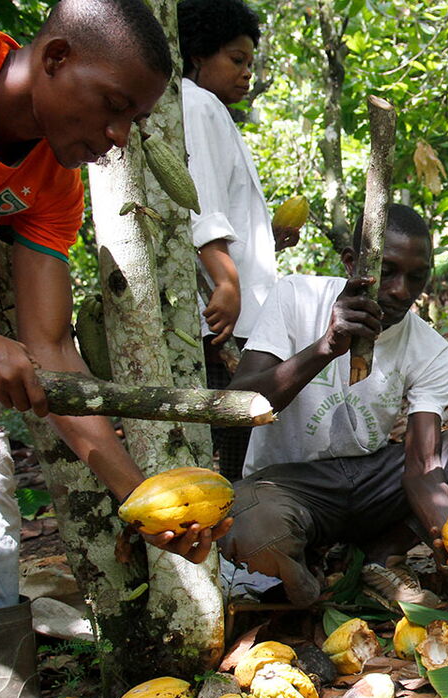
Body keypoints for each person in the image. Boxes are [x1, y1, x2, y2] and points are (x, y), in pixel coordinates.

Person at [0, 2, 221, 698]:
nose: (117, 138)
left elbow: (52, 353)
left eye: (134, 120)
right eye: (113, 107)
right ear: (56, 58)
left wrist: (140, 496)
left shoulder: (51, 177)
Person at [220, 204, 448, 607]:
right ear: (352, 263)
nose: (400, 291)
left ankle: (382, 555)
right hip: (289, 484)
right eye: (387, 271)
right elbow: (237, 406)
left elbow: (423, 466)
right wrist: (325, 348)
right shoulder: (295, 296)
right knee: (250, 527)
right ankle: (312, 581)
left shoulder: (429, 349)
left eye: (416, 277)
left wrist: (445, 531)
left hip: (370, 481)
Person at [178, 0, 298, 480]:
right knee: (234, 442)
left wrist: (267, 241)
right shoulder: (197, 103)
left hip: (240, 311)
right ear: (198, 57)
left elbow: (222, 212)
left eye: (250, 62)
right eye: (236, 59)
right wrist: (226, 281)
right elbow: (201, 204)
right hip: (227, 316)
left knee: (240, 438)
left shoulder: (212, 110)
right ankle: (234, 546)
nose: (247, 72)